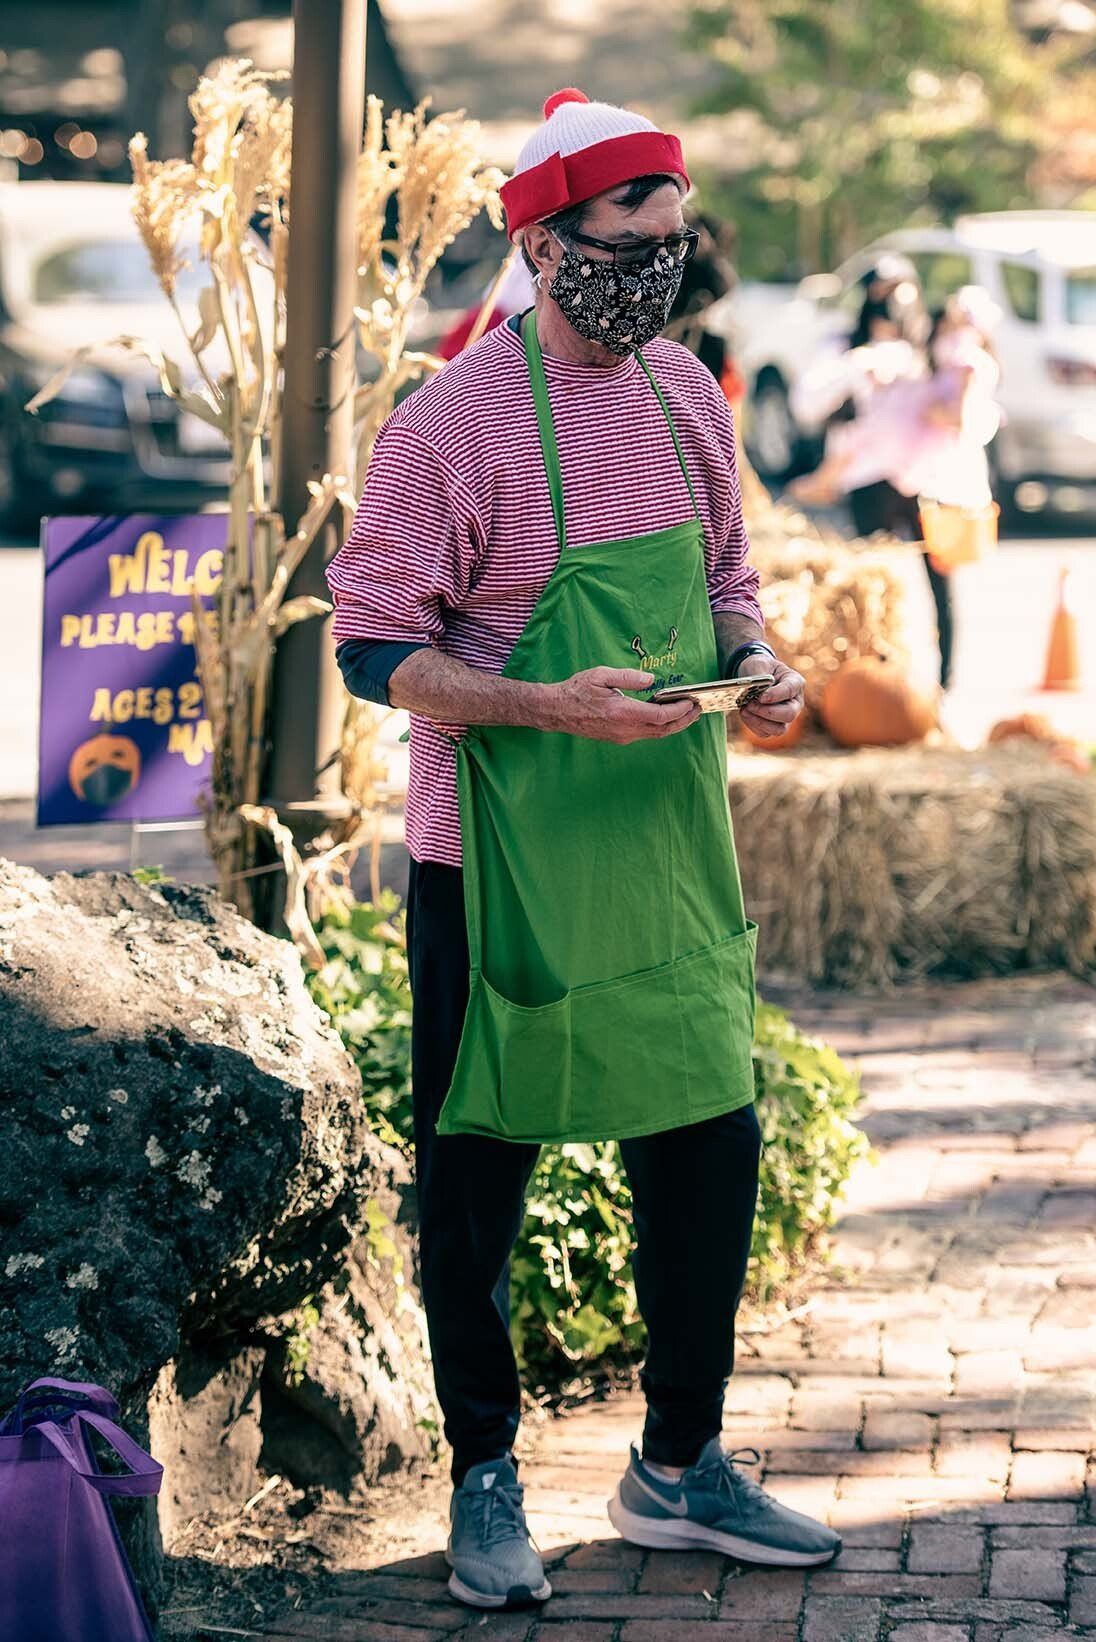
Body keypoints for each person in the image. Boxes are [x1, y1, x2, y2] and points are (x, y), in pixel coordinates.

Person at [327, 88, 835, 1615]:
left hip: (667, 851)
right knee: (481, 1165)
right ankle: (485, 1473)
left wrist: (761, 662)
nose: (659, 270)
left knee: (710, 1143)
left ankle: (678, 1463)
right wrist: (543, 702)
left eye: (678, 241)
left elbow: (731, 578)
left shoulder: (690, 397)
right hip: (499, 862)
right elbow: (369, 647)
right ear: (546, 245)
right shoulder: (449, 422)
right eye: (632, 239)